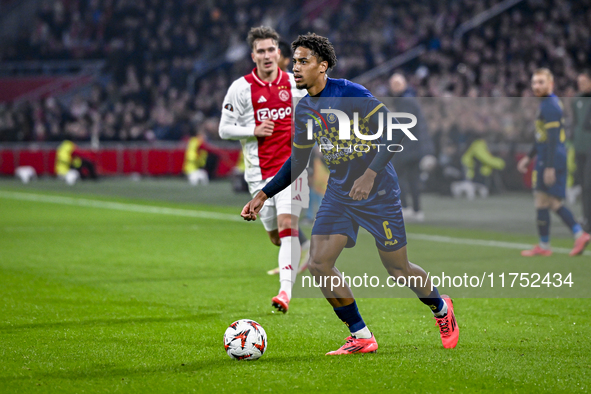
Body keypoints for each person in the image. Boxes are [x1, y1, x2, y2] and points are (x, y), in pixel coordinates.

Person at [241, 33, 459, 355]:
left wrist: (370, 175)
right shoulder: (304, 111)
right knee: (318, 263)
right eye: (295, 61)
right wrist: (264, 193)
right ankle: (361, 334)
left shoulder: (351, 94)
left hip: (378, 191)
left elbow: (392, 133)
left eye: (304, 61)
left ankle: (441, 308)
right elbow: (298, 160)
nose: (296, 68)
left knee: (398, 269)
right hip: (340, 193)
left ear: (323, 66)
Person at [218, 26, 309, 313]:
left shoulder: (294, 83)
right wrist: (252, 129)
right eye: (261, 51)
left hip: (291, 170)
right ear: (253, 55)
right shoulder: (240, 88)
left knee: (287, 227)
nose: (267, 55)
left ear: (278, 53)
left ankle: (284, 292)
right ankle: (294, 255)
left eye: (271, 49)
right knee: (274, 235)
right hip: (258, 174)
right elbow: (223, 129)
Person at [517, 68, 590, 257]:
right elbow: (542, 137)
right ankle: (546, 244)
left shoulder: (550, 106)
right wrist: (529, 156)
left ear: (551, 84)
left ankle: (577, 234)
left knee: (549, 201)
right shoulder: (547, 104)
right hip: (547, 156)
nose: (537, 86)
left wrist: (549, 166)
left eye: (541, 82)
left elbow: (552, 139)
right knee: (544, 201)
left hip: (551, 158)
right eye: (534, 82)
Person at [265, 39, 312, 276]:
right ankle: (302, 251)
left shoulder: (294, 85)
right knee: (277, 221)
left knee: (287, 212)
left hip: (295, 155)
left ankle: (299, 257)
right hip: (276, 157)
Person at [388, 73, 436, 221]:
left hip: (407, 147)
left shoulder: (405, 101)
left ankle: (406, 207)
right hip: (414, 147)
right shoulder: (410, 99)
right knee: (412, 179)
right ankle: (416, 209)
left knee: (397, 175)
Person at [571, 70, 591, 232]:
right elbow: (577, 124)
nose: (581, 86)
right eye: (579, 83)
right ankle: (586, 217)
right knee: (584, 185)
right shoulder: (576, 100)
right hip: (580, 147)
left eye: (584, 82)